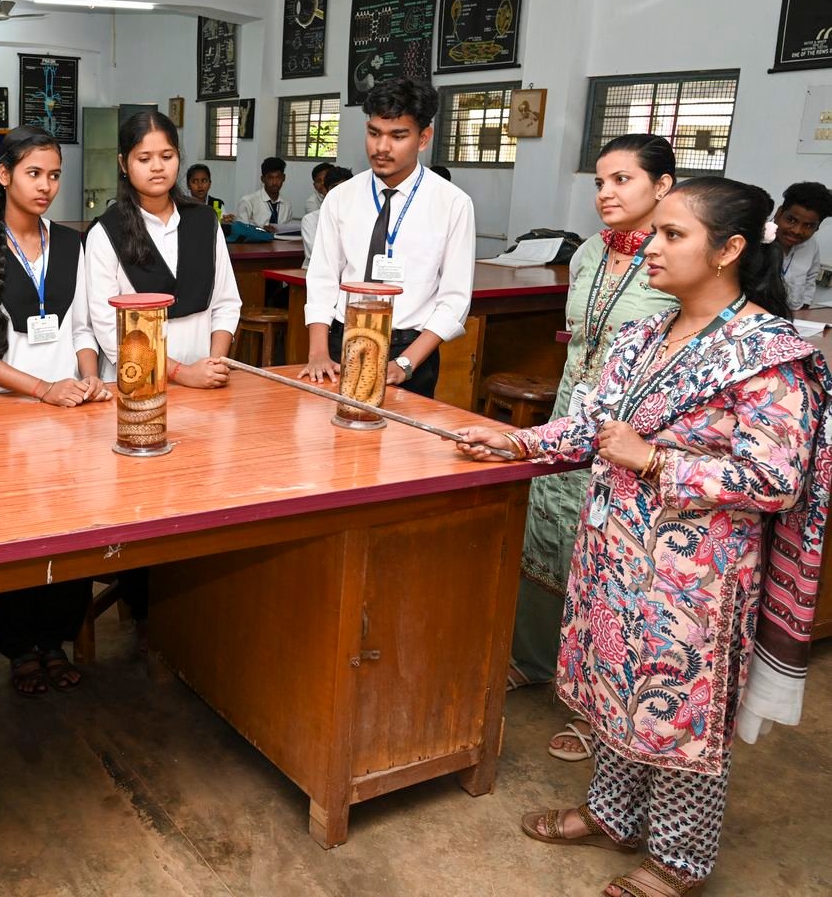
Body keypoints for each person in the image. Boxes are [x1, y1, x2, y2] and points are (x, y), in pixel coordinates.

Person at [455, 177, 829, 897]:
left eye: (673, 234)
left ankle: (679, 862)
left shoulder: (768, 356)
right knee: (612, 692)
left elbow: (778, 478)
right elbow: (594, 428)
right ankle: (612, 816)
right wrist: (517, 445)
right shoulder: (642, 336)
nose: (650, 247)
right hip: (614, 555)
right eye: (655, 232)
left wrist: (658, 461)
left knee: (681, 717)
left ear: (729, 250)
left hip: (696, 576)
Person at [510, 135, 681, 768]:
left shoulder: (676, 262)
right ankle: (532, 658)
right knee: (545, 526)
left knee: (605, 559)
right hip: (568, 412)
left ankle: (595, 707)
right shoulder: (587, 254)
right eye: (600, 182)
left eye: (623, 181)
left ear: (662, 187)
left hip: (631, 432)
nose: (606, 194)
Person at [0, 126, 108, 695]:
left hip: (68, 412)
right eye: (34, 173)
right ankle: (20, 650)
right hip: (4, 417)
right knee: (15, 538)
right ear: (5, 176)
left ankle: (56, 642)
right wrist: (42, 390)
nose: (46, 186)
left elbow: (85, 326)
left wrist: (89, 379)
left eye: (54, 175)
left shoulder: (72, 243)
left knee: (70, 532)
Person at [87, 111, 241, 647]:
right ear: (124, 164)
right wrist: (180, 374)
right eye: (144, 158)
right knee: (145, 504)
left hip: (208, 379)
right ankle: (144, 609)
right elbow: (109, 329)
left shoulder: (204, 221)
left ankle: (192, 611)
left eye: (167, 156)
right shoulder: (106, 232)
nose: (158, 167)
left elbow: (226, 300)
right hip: (141, 385)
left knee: (202, 494)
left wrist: (214, 364)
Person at [300, 78, 475, 399]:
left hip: (410, 349)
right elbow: (322, 277)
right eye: (373, 133)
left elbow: (454, 300)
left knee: (402, 447)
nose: (381, 147)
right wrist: (318, 353)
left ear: (423, 138)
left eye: (398, 136)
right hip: (342, 342)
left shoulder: (452, 203)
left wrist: (405, 363)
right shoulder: (341, 198)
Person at [773, 181, 832, 310]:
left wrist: (804, 310)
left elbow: (810, 279)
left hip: (794, 315)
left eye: (808, 225)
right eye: (791, 220)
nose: (797, 231)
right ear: (779, 213)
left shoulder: (811, 246)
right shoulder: (756, 241)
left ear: (817, 227)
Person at [301, 165, 353, 268]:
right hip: (317, 274)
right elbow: (317, 256)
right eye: (335, 188)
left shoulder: (357, 218)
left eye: (345, 189)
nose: (340, 193)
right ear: (327, 191)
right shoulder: (311, 220)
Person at [236, 156, 297, 226]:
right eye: (270, 178)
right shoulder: (248, 202)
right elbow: (241, 230)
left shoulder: (287, 204)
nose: (274, 182)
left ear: (283, 178)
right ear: (263, 179)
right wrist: (262, 231)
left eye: (278, 177)